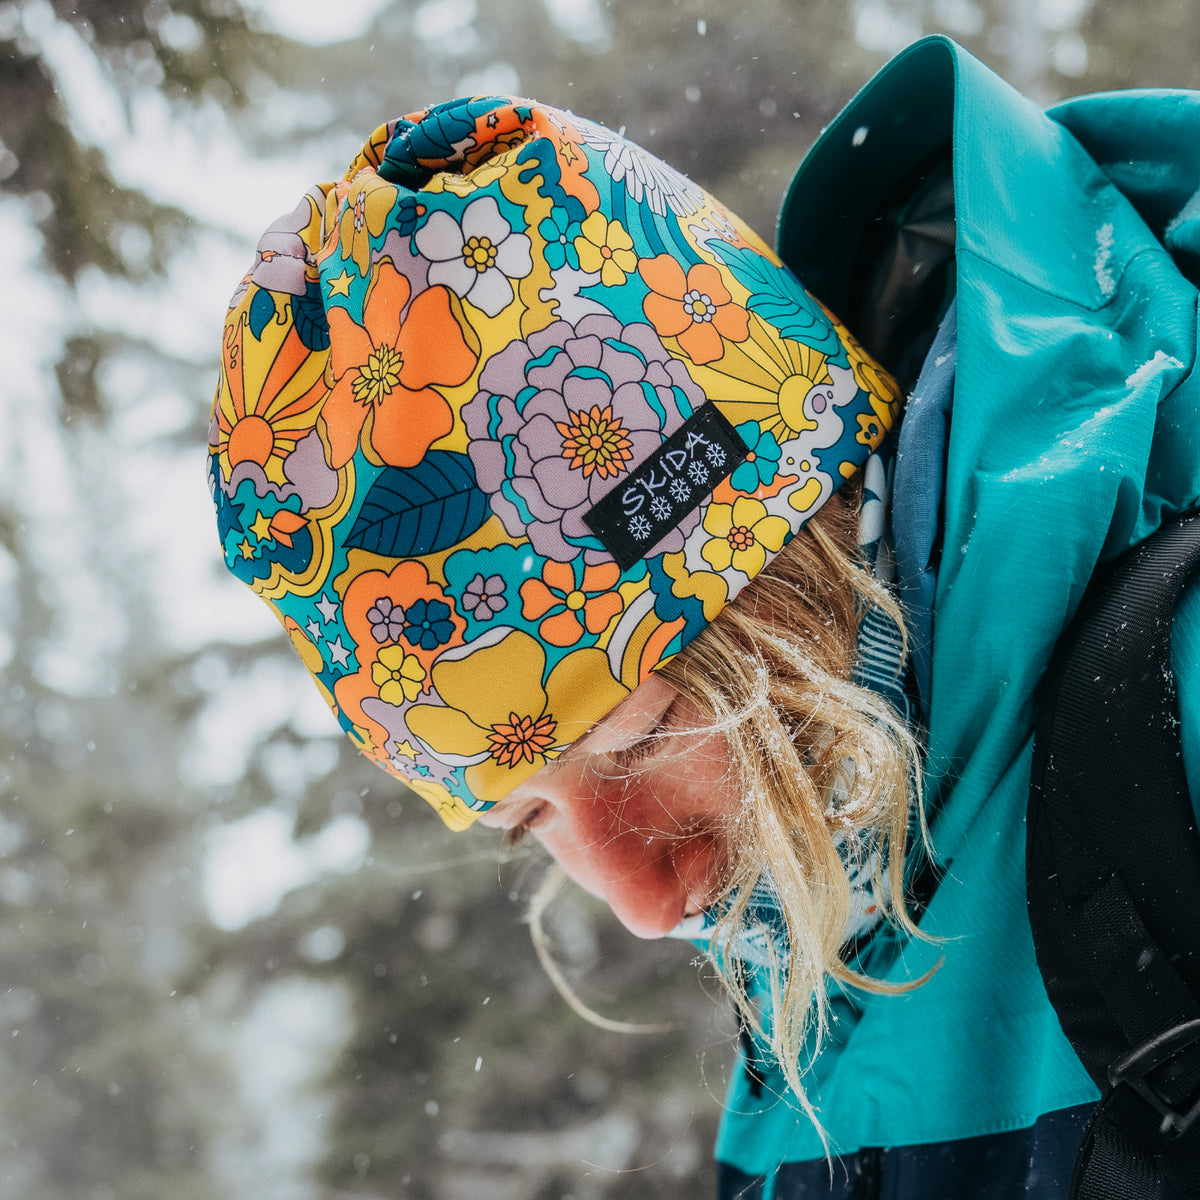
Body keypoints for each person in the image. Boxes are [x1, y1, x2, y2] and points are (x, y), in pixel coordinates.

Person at [207, 35, 1200, 1199]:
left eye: (643, 734)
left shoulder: (1171, 719)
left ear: (797, 552)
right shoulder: (804, 1032)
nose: (640, 900)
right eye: (527, 819)